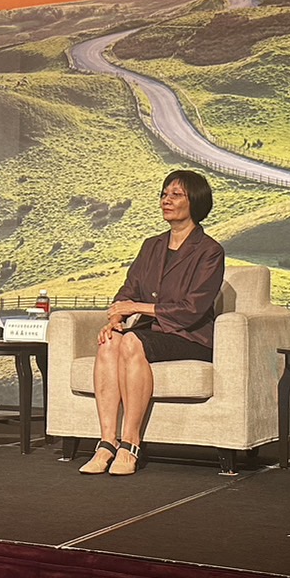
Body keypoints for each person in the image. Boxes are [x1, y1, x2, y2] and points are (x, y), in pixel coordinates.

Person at [79, 169, 225, 477]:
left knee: (133, 341)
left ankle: (130, 444)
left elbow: (192, 309)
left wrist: (136, 308)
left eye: (176, 195)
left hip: (190, 336)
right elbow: (128, 291)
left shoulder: (210, 251)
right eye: (164, 194)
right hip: (154, 333)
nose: (166, 200)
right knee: (110, 341)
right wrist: (116, 319)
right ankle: (106, 443)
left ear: (195, 202)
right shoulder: (151, 246)